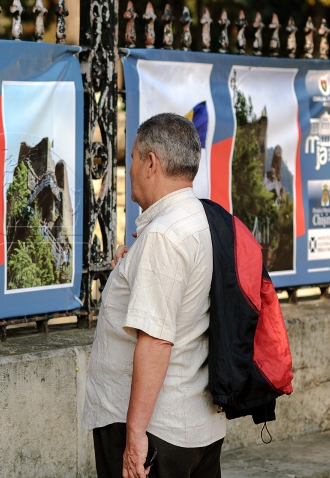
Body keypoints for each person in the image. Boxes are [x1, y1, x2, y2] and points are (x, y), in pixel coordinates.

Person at [82, 113, 226, 478]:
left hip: (157, 430)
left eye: (131, 157)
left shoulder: (164, 236)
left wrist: (134, 437)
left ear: (151, 163)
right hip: (191, 424)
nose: (127, 167)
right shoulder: (199, 218)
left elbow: (157, 340)